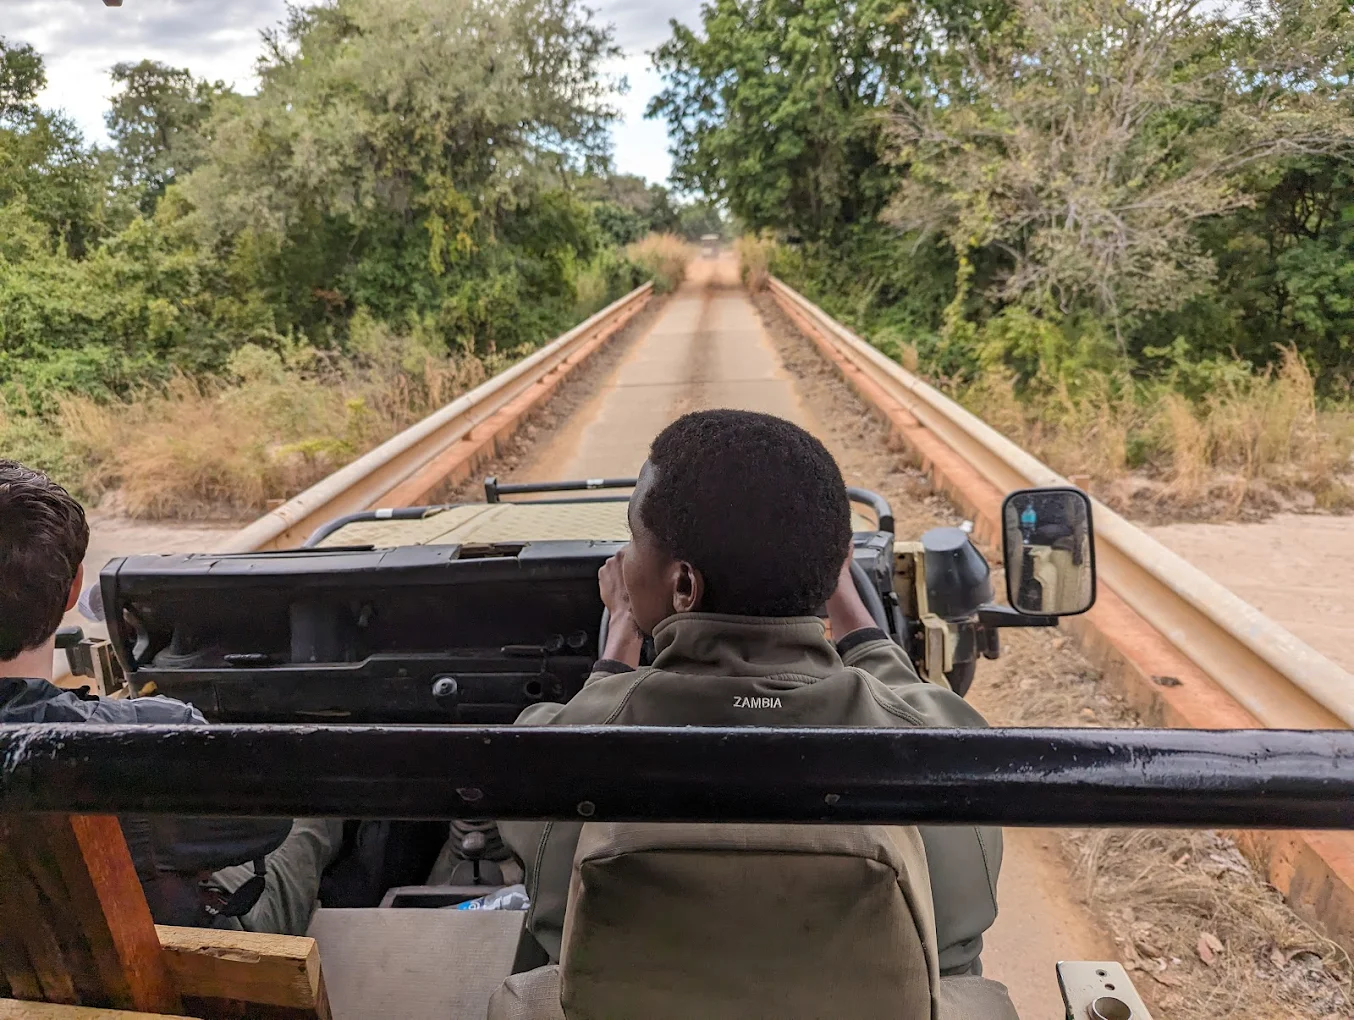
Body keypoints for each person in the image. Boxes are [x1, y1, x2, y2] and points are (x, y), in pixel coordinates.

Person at [499, 409, 1004, 978]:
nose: (624, 559)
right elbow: (958, 924)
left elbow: (542, 854)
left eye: (633, 539)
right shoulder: (948, 756)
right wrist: (846, 603)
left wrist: (619, 640)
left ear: (683, 586)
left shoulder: (561, 756)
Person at [0, 459, 340, 935]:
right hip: (170, 956)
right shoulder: (149, 736)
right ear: (75, 587)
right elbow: (267, 823)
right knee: (312, 815)